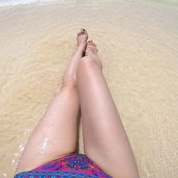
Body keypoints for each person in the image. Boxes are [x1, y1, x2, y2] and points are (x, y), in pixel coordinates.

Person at [14, 29, 139, 178]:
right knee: (88, 65)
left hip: (39, 171)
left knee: (69, 86)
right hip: (108, 174)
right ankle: (90, 54)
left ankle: (80, 48)